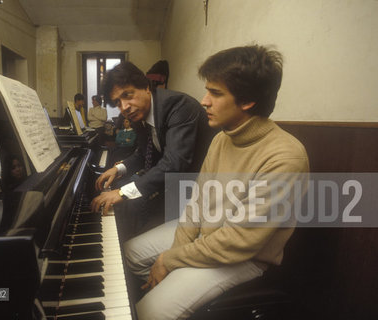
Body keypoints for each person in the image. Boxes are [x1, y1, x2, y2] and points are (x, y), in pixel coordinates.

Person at [123, 45, 309, 320]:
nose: (204, 101)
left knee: (149, 313)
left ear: (247, 101)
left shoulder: (285, 156)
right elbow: (197, 202)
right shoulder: (223, 137)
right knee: (128, 254)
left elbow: (239, 242)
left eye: (216, 93)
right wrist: (176, 253)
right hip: (207, 235)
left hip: (244, 256)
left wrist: (170, 259)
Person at [90, 61, 215, 238]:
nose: (124, 107)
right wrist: (118, 168)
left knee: (134, 222)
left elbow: (174, 163)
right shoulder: (138, 114)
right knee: (128, 213)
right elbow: (144, 153)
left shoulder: (178, 106)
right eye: (118, 102)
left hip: (198, 192)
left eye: (128, 95)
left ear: (146, 87)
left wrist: (123, 192)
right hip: (173, 185)